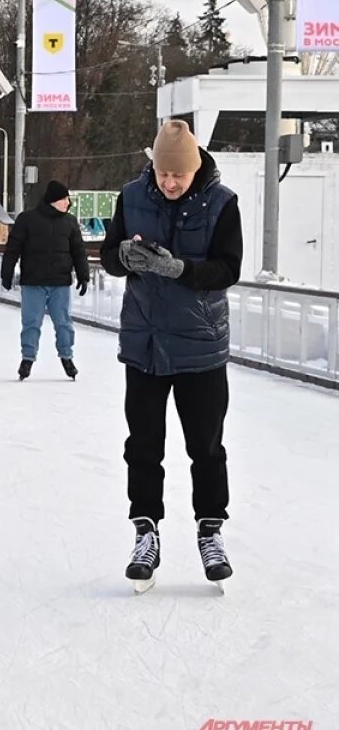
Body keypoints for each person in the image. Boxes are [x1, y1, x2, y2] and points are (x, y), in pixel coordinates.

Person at [99, 120, 242, 592]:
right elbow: (109, 257)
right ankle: (145, 531)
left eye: (177, 175)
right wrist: (122, 255)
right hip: (144, 344)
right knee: (142, 446)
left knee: (205, 447)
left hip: (200, 347)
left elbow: (228, 269)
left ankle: (210, 530)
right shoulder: (131, 196)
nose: (170, 182)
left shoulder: (223, 204)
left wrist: (179, 269)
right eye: (163, 174)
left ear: (195, 165)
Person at [1, 180, 90, 381]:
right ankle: (27, 358)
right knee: (31, 322)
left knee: (64, 323)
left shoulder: (69, 222)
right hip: (34, 282)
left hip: (60, 283)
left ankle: (67, 357)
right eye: (65, 199)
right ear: (54, 200)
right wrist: (6, 272)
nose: (68, 202)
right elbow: (13, 247)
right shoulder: (27, 220)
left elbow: (78, 251)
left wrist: (83, 275)